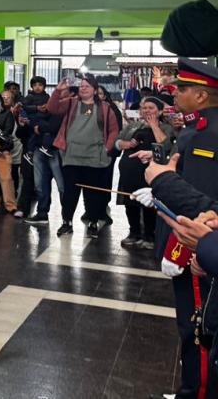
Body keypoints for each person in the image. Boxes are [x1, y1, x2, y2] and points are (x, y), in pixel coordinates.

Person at [135, 57, 218, 399]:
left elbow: (199, 207)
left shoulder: (208, 135)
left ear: (201, 96)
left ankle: (195, 392)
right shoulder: (199, 127)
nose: (176, 94)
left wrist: (163, 184)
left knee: (197, 327)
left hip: (198, 249)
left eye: (182, 89)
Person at [47, 74, 120, 238]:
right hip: (72, 156)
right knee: (70, 193)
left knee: (92, 194)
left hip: (95, 157)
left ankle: (93, 223)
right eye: (81, 86)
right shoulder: (71, 103)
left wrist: (107, 148)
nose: (83, 88)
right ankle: (67, 223)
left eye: (87, 86)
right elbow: (52, 108)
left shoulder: (106, 108)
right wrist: (58, 91)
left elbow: (114, 130)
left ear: (95, 90)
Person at [115, 97, 175, 249]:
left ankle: (149, 235)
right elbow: (118, 142)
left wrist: (154, 126)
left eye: (151, 108)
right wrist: (127, 143)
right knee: (130, 202)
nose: (147, 110)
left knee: (149, 203)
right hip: (129, 172)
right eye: (144, 108)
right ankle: (134, 233)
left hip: (151, 173)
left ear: (160, 111)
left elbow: (166, 145)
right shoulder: (134, 125)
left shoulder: (167, 127)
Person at [22, 76, 65, 225]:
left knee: (61, 185)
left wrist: (40, 126)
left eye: (41, 85)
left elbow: (55, 125)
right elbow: (27, 116)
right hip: (38, 147)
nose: (38, 87)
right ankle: (42, 213)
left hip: (54, 148)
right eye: (36, 85)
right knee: (40, 183)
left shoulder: (59, 105)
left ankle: (67, 217)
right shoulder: (30, 99)